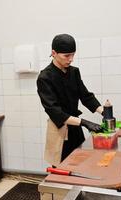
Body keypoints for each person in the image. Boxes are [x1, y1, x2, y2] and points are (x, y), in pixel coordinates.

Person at [37, 33, 104, 166]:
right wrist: (85, 122)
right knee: (62, 168)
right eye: (67, 55)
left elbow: (86, 96)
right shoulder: (45, 78)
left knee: (80, 163)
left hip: (76, 128)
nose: (71, 59)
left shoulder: (74, 72)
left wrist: (104, 112)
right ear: (54, 53)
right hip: (59, 129)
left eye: (73, 54)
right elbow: (55, 112)